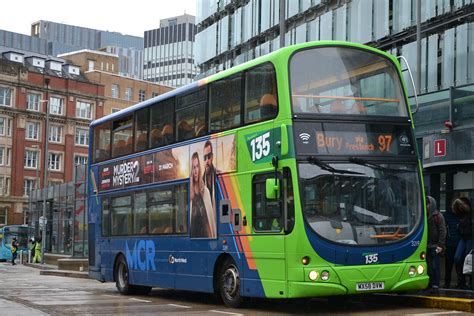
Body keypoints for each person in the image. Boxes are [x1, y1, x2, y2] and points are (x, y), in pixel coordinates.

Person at [190, 152, 216, 238]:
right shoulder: (189, 195)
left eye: (197, 166)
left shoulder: (205, 192)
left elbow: (211, 221)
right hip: (193, 242)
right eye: (193, 168)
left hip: (206, 239)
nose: (195, 171)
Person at [426, 196, 446, 290]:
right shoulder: (423, 216)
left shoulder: (438, 216)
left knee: (435, 266)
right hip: (426, 246)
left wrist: (440, 244)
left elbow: (443, 230)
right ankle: (429, 283)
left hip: (435, 246)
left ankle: (436, 283)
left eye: (428, 204)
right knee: (428, 266)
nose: (426, 206)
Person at [452, 197, 472, 289]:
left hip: (470, 237)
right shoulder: (460, 215)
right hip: (463, 238)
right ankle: (462, 282)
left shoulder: (469, 213)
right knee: (457, 258)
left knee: (470, 259)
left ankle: (470, 283)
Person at [444, 202, 461, 288]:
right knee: (448, 265)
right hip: (450, 243)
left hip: (458, 243)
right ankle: (447, 283)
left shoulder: (460, 215)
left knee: (458, 264)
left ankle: (460, 283)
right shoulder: (447, 215)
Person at [203, 141, 217, 210]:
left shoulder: (218, 177)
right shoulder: (201, 183)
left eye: (209, 157)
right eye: (204, 158)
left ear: (212, 157)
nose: (207, 161)